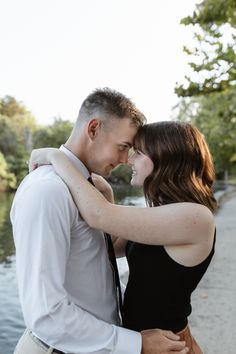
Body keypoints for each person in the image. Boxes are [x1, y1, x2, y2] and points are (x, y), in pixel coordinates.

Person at [10, 89, 189, 354]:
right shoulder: (48, 191)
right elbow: (46, 313)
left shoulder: (86, 188)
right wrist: (138, 344)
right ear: (93, 129)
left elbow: (98, 260)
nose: (124, 160)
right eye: (123, 147)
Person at [29, 121, 217, 354]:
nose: (129, 160)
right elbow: (114, 247)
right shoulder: (164, 213)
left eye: (138, 153)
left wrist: (58, 158)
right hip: (145, 341)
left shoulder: (195, 217)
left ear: (166, 157)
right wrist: (108, 196)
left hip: (166, 345)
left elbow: (99, 215)